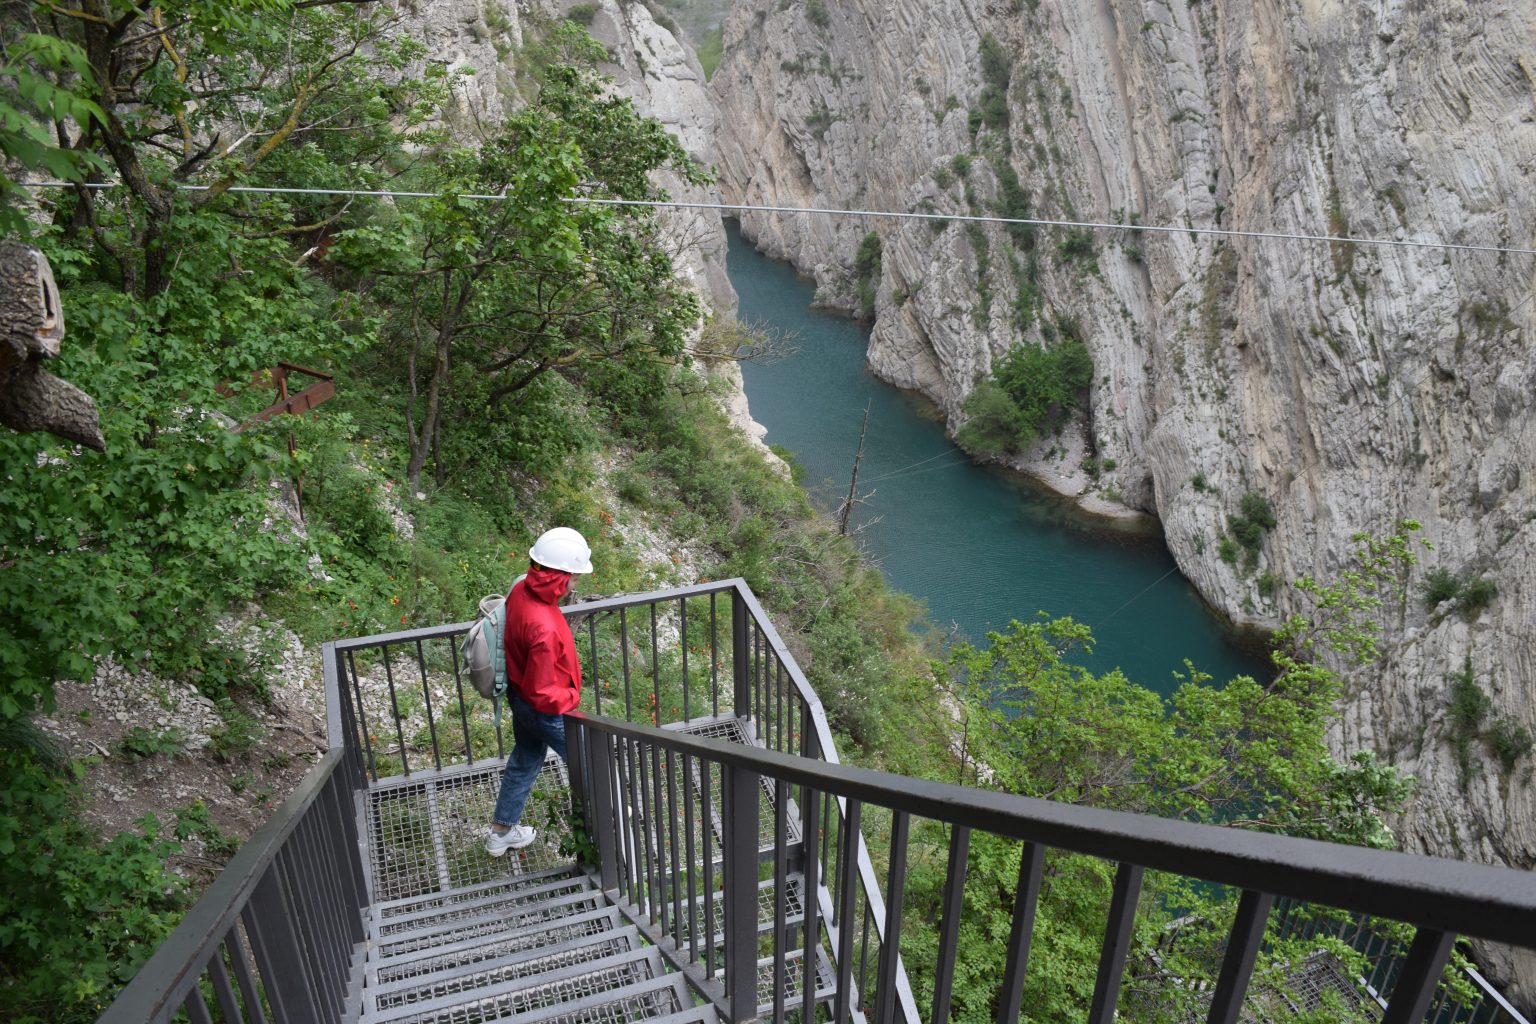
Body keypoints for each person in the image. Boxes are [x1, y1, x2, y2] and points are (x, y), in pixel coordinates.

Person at [485, 526, 594, 856]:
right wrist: (572, 697)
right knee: (590, 759)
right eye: (574, 577)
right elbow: (544, 692)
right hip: (545, 710)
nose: (576, 583)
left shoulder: (521, 586)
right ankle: (612, 814)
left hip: (519, 699)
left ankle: (500, 833)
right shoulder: (543, 627)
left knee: (526, 759)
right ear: (558, 576)